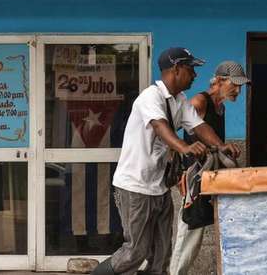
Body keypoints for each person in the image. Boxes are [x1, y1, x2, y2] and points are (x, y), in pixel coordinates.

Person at [94, 48, 241, 275]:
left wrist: (221, 146)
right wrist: (184, 147)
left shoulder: (179, 100)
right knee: (135, 253)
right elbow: (159, 126)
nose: (194, 75)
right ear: (176, 69)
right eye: (191, 69)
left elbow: (199, 126)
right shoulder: (150, 97)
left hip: (159, 187)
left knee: (161, 256)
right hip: (135, 187)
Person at [169, 61, 250, 275]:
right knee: (189, 229)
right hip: (194, 179)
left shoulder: (220, 107)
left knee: (207, 227)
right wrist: (180, 169)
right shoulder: (199, 101)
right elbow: (168, 130)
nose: (238, 90)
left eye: (241, 86)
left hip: (212, 178)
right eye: (235, 85)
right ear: (220, 81)